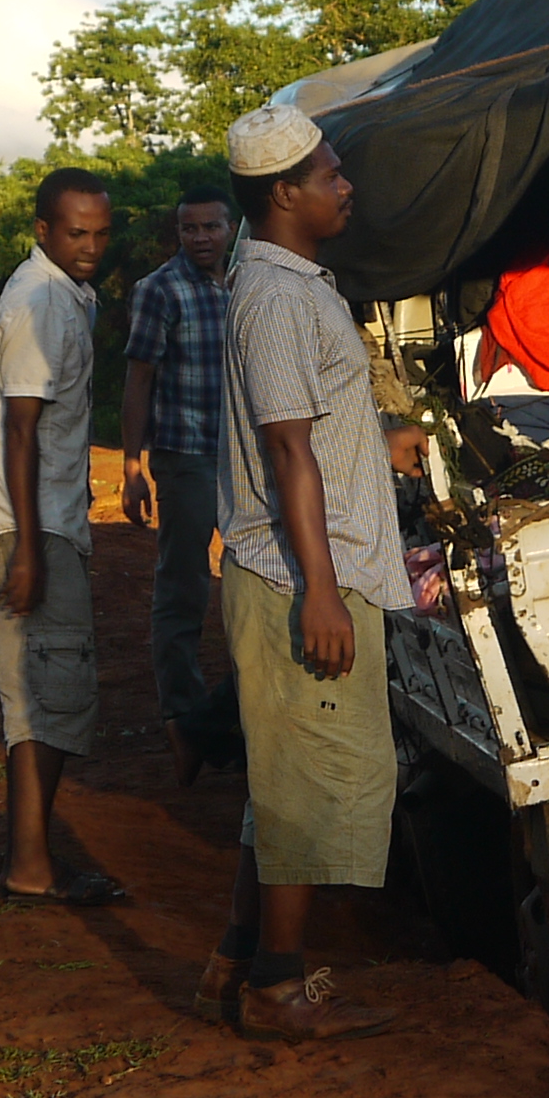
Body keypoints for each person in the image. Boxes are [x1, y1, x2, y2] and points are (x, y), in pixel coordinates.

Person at [197, 105, 409, 1041]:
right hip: (297, 580)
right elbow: (289, 452)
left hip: (311, 565)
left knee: (285, 777)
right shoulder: (277, 299)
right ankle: (279, 991)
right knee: (315, 781)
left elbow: (314, 431)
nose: (344, 185)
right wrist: (321, 590)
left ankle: (240, 958)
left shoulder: (292, 282)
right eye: (330, 174)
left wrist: (380, 441)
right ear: (284, 194)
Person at [0, 167, 125, 907]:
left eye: (100, 232)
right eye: (75, 233)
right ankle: (29, 866)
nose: (91, 246)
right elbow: (20, 430)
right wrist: (29, 548)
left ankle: (32, 858)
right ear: (44, 231)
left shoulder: (65, 295)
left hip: (45, 522)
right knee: (41, 694)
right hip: (31, 527)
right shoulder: (39, 305)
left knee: (49, 692)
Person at [120, 185, 240, 785]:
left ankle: (234, 717)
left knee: (251, 581)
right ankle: (180, 715)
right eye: (189, 229)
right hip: (185, 456)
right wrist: (132, 466)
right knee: (185, 584)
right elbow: (138, 379)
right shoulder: (158, 290)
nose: (200, 238)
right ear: (178, 234)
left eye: (210, 228)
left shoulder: (245, 284)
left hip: (242, 461)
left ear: (230, 228)